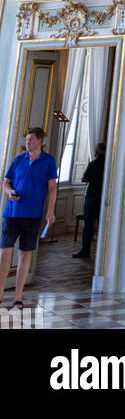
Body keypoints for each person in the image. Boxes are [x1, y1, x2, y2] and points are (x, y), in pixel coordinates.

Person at [1, 127, 57, 311]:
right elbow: (5, 182)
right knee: (4, 253)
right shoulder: (18, 159)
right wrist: (10, 193)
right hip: (12, 214)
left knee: (24, 255)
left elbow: (52, 189)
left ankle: (17, 297)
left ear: (40, 141)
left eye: (31, 139)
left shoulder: (48, 161)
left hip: (32, 216)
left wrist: (50, 212)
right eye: (26, 139)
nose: (27, 142)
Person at [72, 142, 105, 261]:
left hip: (92, 197)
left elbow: (83, 178)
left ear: (97, 151)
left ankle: (85, 250)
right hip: (103, 197)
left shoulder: (93, 164)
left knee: (88, 225)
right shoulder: (109, 165)